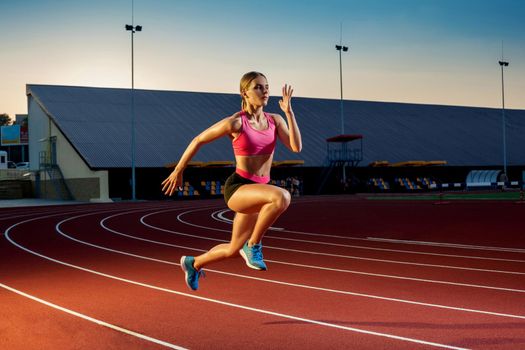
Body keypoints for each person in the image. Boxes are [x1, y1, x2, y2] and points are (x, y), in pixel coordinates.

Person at [162, 71, 302, 291]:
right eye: (258, 87)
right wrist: (179, 169)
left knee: (233, 250)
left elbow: (296, 147)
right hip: (239, 188)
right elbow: (199, 139)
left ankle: (193, 263)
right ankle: (254, 245)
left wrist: (290, 112)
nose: (264, 90)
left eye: (266, 86)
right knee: (282, 197)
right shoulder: (236, 123)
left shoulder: (275, 120)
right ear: (244, 92)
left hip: (258, 190)